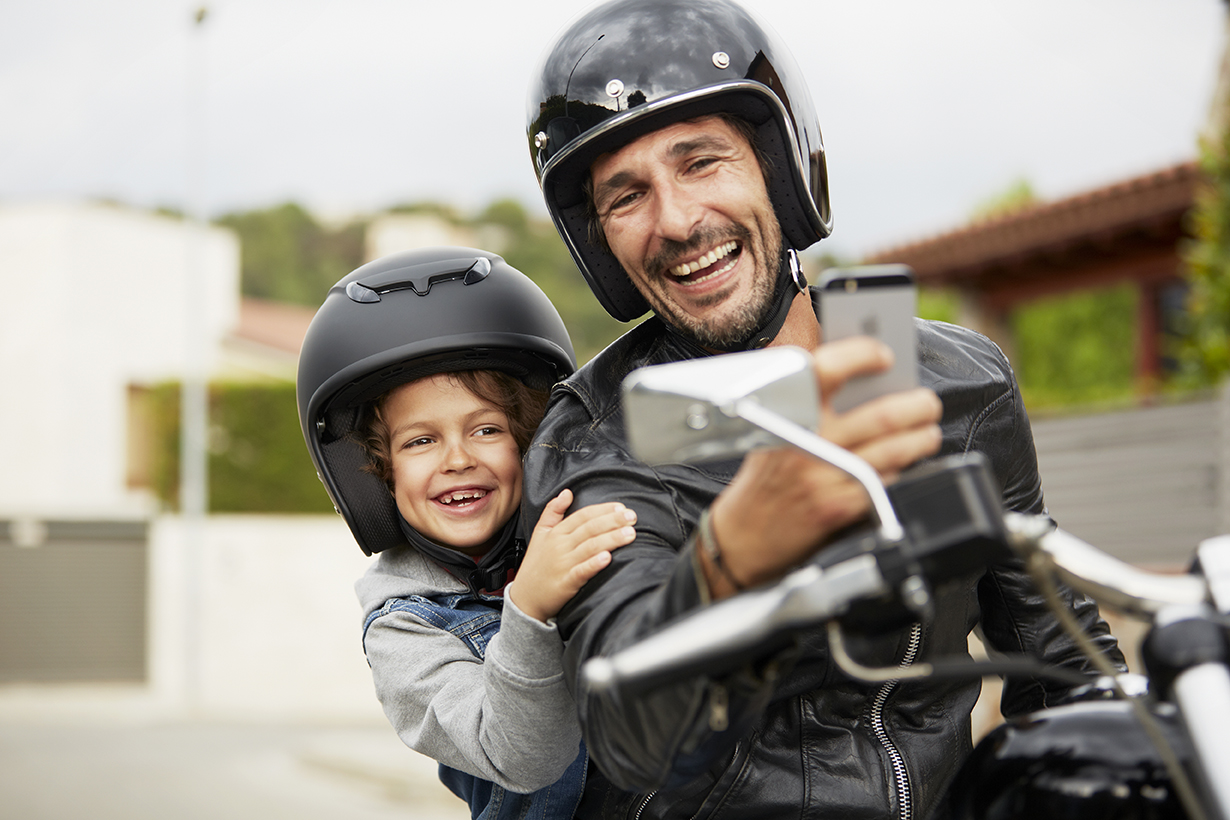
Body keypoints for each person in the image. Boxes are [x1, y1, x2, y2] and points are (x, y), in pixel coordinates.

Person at [521, 1, 1126, 818]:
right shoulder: (597, 442)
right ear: (600, 240)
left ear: (778, 165)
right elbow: (629, 729)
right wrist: (728, 564)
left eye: (700, 162)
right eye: (626, 196)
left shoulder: (963, 382)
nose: (676, 221)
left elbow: (1053, 641)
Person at [296, 246, 637, 819]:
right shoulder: (403, 630)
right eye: (420, 441)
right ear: (379, 477)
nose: (456, 459)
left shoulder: (580, 525)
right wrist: (529, 606)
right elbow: (522, 758)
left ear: (531, 445)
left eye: (485, 429)